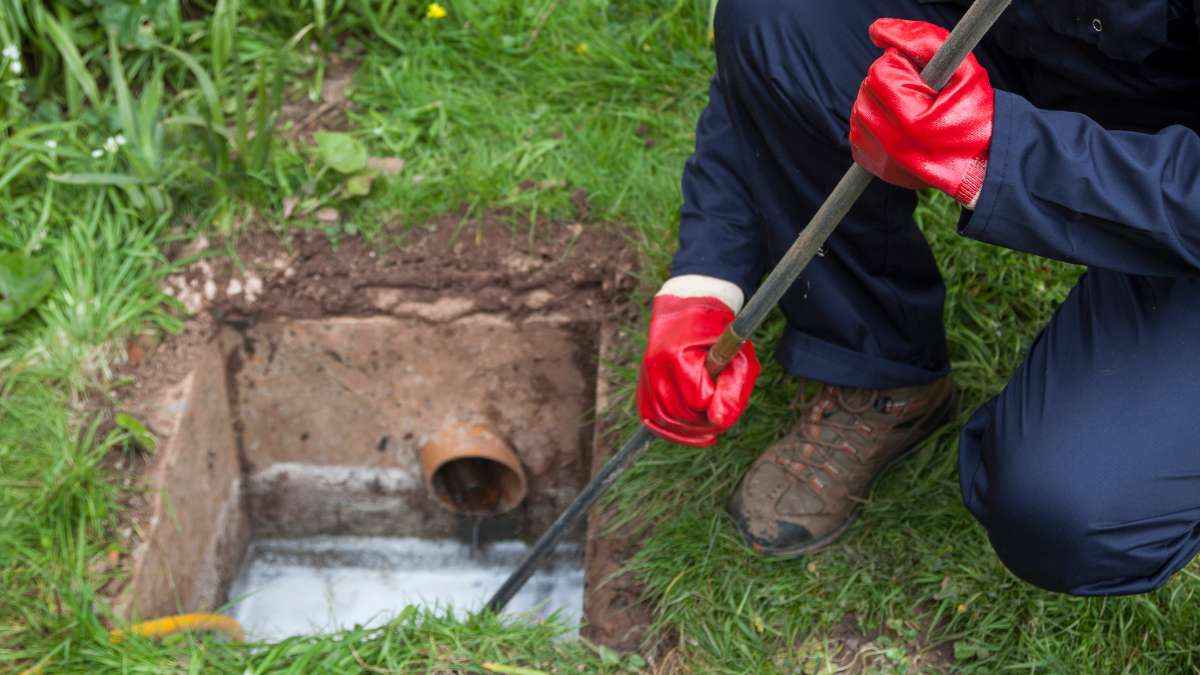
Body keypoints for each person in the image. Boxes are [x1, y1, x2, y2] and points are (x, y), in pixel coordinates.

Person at [637, 0, 1200, 596]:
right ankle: (882, 374)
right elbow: (777, 39)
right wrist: (706, 276)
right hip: (1056, 42)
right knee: (778, 17)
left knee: (1071, 510)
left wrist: (1003, 155)